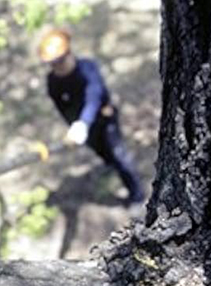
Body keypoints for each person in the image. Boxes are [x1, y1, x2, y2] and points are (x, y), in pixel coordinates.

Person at [38, 28, 145, 205]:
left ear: (69, 54)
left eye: (60, 61)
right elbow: (61, 106)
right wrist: (73, 126)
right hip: (84, 129)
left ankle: (137, 195)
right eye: (53, 64)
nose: (58, 67)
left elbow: (93, 96)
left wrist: (83, 123)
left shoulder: (87, 67)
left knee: (119, 155)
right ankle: (109, 164)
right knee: (102, 152)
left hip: (104, 120)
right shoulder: (53, 81)